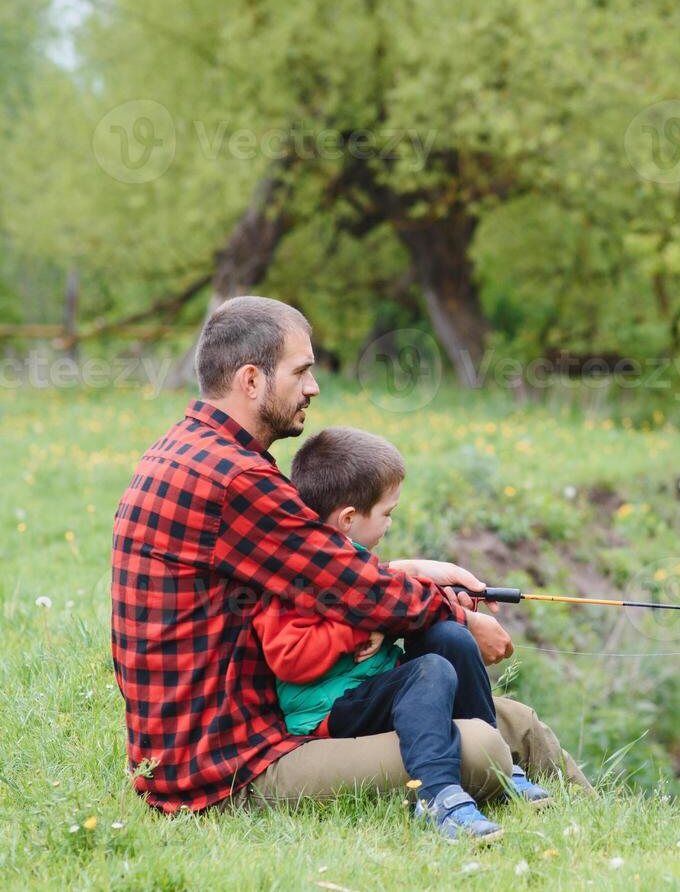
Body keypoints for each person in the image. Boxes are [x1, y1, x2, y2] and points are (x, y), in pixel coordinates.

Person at [111, 295, 588, 827]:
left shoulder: (186, 452)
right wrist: (465, 618)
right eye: (301, 372)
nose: (313, 387)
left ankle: (598, 823)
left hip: (218, 737)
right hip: (232, 767)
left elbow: (318, 570)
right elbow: (359, 592)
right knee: (481, 745)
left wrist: (407, 570)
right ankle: (502, 811)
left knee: (512, 720)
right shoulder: (236, 481)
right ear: (251, 380)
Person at [251, 426, 560, 841]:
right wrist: (351, 631)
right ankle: (439, 798)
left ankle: (503, 768)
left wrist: (441, 600)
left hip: (370, 688)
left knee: (448, 639)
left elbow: (391, 595)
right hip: (328, 711)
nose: (390, 524)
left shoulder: (353, 562)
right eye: (387, 514)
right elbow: (289, 658)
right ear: (348, 519)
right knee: (428, 670)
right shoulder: (296, 577)